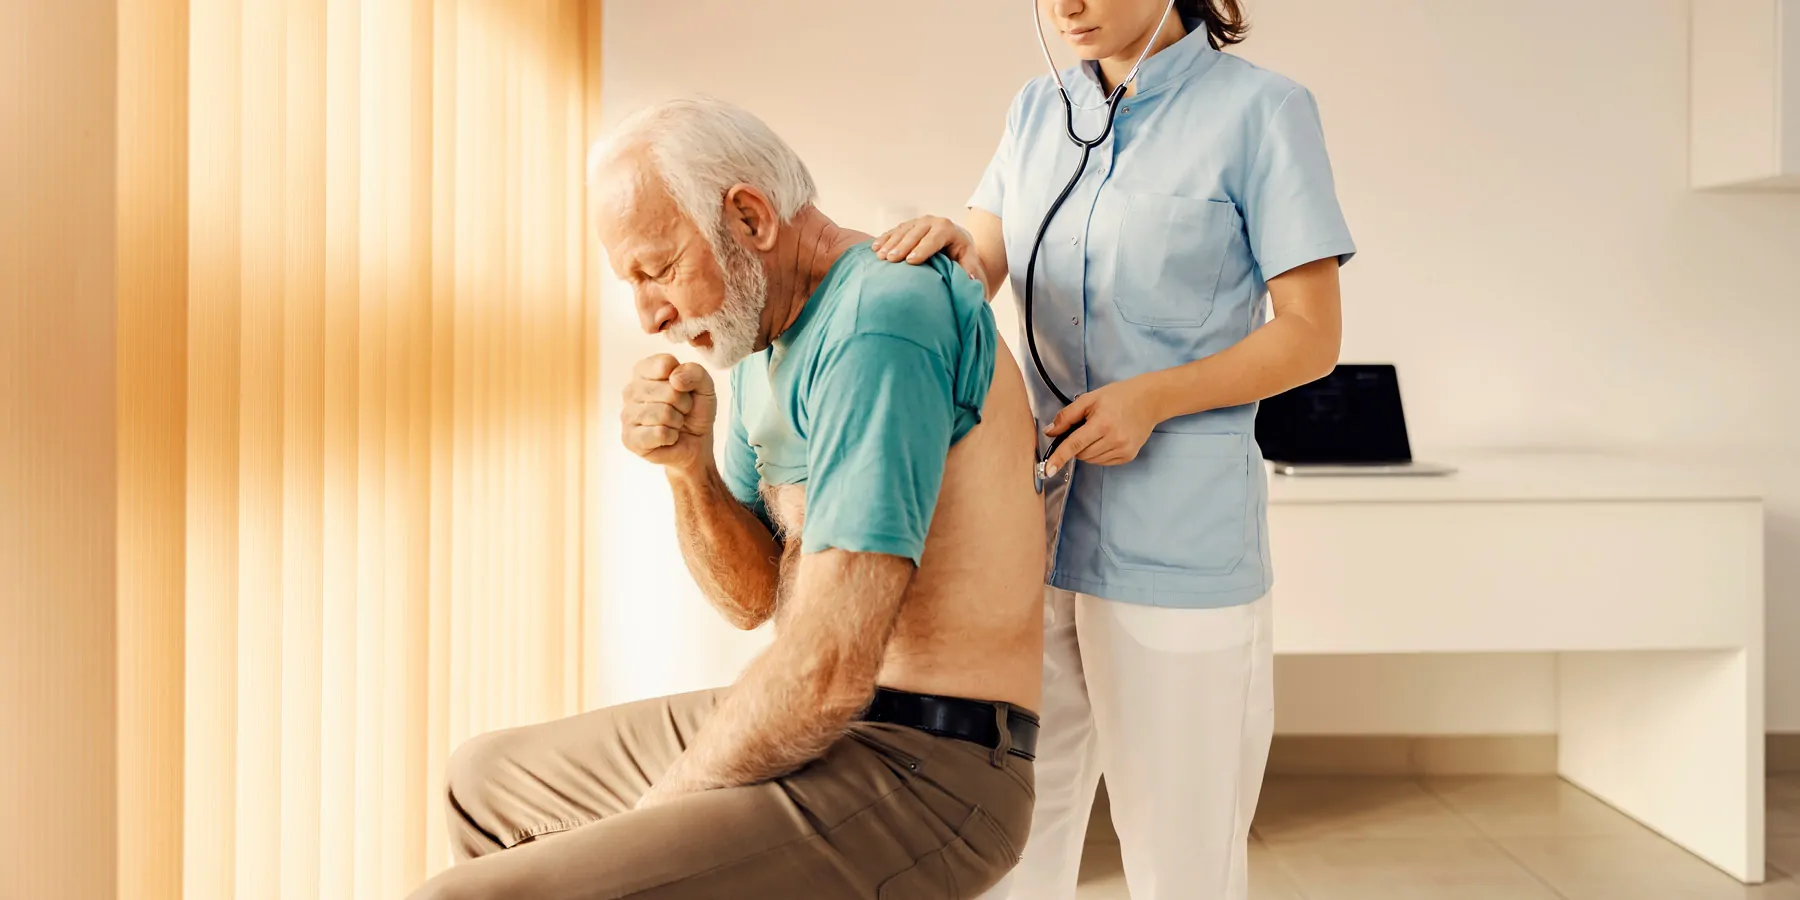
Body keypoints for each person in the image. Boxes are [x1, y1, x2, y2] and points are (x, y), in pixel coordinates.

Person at [405, 97, 1046, 900]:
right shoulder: (759, 341)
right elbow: (753, 601)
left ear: (749, 216)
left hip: (932, 769)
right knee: (485, 781)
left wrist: (649, 818)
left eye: (658, 268)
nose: (648, 315)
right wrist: (689, 471)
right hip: (839, 726)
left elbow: (826, 672)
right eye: (631, 283)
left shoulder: (883, 320)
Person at [872, 1, 1356, 897]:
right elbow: (987, 255)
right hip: (1033, 537)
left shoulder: (1262, 113)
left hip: (1178, 544)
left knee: (1181, 859)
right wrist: (951, 256)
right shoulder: (1035, 111)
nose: (1068, 6)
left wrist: (1153, 399)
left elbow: (1309, 336)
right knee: (1014, 841)